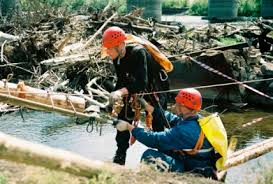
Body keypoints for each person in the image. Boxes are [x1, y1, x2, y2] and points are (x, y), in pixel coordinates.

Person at [114, 88, 219, 179]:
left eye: (177, 103)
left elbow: (155, 140)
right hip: (202, 164)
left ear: (183, 106)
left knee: (149, 155)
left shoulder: (183, 131)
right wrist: (147, 107)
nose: (174, 105)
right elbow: (171, 119)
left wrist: (129, 127)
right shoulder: (197, 120)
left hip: (193, 171)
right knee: (165, 148)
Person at [102, 26, 170, 165]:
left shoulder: (139, 53)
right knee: (123, 116)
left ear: (120, 45)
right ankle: (120, 155)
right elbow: (121, 80)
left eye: (109, 49)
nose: (107, 52)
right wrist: (112, 100)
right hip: (133, 84)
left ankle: (162, 155)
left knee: (159, 119)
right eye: (106, 49)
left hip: (154, 87)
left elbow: (142, 83)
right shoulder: (117, 57)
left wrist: (121, 92)